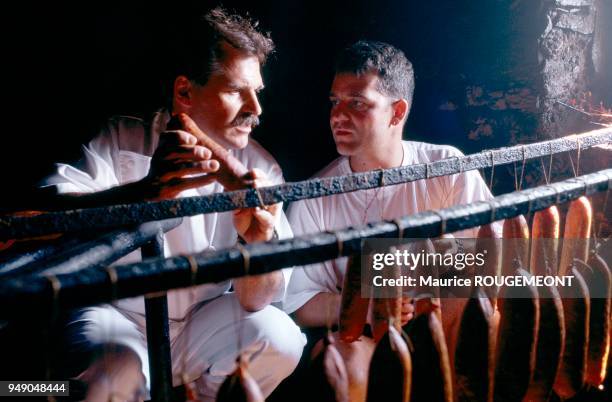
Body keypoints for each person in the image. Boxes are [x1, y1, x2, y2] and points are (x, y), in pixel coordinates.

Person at [42, 8, 305, 402]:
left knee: (280, 337)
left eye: (258, 92)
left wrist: (259, 242)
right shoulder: (122, 137)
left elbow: (257, 299)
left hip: (199, 323)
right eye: (236, 91)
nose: (257, 109)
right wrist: (142, 193)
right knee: (107, 381)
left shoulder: (263, 168)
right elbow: (45, 211)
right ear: (184, 92)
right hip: (117, 315)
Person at [282, 41, 496, 398]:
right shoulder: (313, 196)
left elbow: (490, 254)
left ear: (397, 112)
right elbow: (298, 304)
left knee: (483, 303)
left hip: (445, 326)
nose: (338, 115)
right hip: (369, 338)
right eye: (335, 102)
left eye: (357, 103)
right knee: (340, 362)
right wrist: (371, 305)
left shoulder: (447, 167)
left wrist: (415, 275)